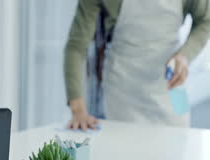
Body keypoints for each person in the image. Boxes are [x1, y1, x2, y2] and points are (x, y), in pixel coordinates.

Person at [64, 0, 210, 130]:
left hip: (174, 88)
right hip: (122, 91)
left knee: (180, 150)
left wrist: (185, 55)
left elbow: (206, 20)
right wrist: (78, 110)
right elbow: (76, 46)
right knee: (125, 152)